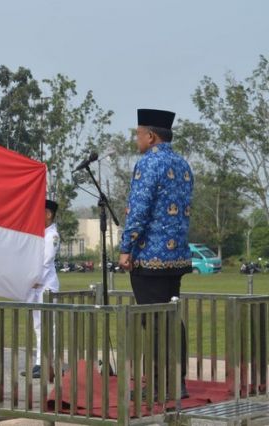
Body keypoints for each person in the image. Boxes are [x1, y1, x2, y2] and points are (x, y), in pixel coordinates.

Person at [118, 108, 192, 399]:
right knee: (173, 319)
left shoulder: (148, 163)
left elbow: (139, 210)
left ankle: (163, 385)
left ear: (150, 136)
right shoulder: (183, 164)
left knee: (156, 320)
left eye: (138, 134)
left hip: (150, 257)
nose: (136, 139)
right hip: (177, 256)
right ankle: (178, 381)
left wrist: (126, 248)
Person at [21, 199, 60, 379]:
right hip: (36, 286)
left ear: (49, 214)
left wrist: (34, 279)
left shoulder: (52, 236)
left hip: (46, 286)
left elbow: (46, 262)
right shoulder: (40, 234)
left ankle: (46, 362)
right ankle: (39, 362)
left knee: (47, 326)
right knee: (38, 326)